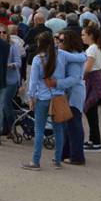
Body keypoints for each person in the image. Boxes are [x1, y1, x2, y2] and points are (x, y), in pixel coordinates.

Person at [21, 32, 68, 171]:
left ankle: (36, 161)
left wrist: (30, 97)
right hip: (58, 96)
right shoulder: (61, 56)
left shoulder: (38, 59)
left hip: (42, 97)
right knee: (58, 130)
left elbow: (33, 81)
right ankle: (57, 160)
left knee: (39, 129)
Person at [57, 30, 88, 165]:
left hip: (74, 94)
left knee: (74, 125)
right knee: (68, 125)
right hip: (70, 93)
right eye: (58, 39)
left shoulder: (74, 57)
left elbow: (74, 78)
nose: (58, 42)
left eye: (61, 40)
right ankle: (65, 154)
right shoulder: (71, 56)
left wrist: (57, 83)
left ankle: (77, 157)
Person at [82, 26, 101, 152]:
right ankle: (93, 140)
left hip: (93, 80)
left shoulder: (92, 48)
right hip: (95, 79)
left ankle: (96, 143)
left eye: (84, 34)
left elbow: (88, 68)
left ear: (91, 35)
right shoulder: (95, 47)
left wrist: (78, 76)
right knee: (91, 113)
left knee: (91, 113)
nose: (82, 37)